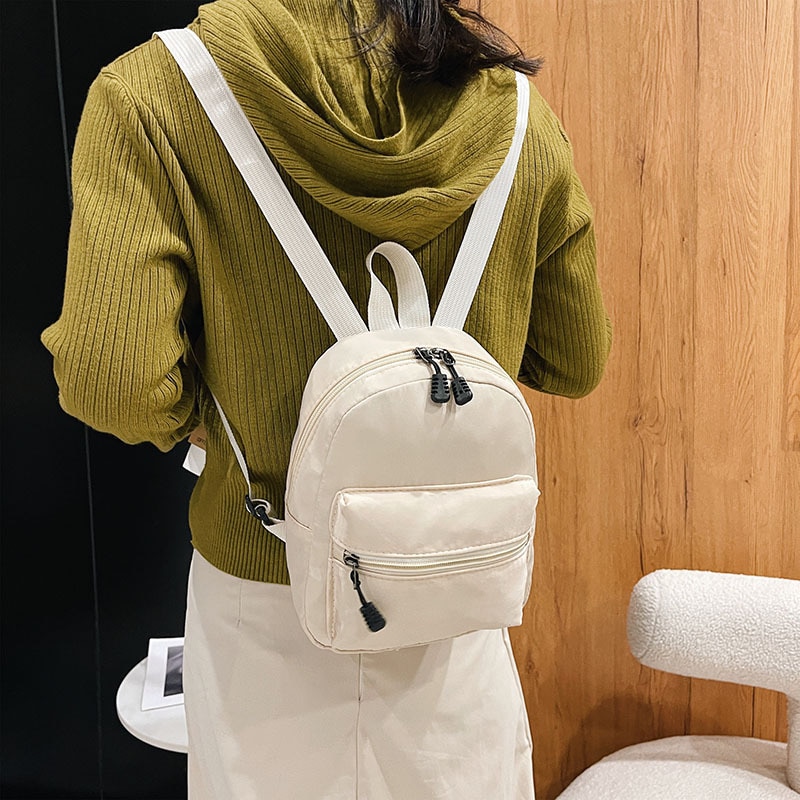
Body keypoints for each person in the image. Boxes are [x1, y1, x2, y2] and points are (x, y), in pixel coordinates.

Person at [42, 0, 611, 797]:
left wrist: (210, 422)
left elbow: (113, 380)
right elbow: (575, 359)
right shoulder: (518, 117)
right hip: (450, 603)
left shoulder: (154, 96)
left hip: (262, 602)